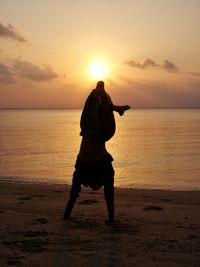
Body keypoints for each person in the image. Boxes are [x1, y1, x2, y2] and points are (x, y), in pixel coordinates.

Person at [63, 81, 130, 223]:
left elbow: (103, 108)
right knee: (74, 192)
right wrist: (113, 106)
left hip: (99, 160)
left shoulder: (98, 125)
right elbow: (97, 108)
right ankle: (66, 215)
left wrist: (112, 106)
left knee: (108, 185)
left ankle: (111, 219)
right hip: (85, 161)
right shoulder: (88, 124)